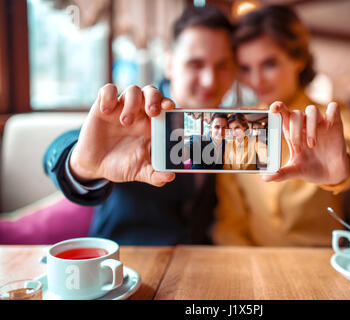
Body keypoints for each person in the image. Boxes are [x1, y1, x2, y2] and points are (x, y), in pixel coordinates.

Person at [43, 6, 236, 245]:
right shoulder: (134, 113)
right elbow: (58, 150)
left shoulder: (231, 127)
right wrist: (80, 164)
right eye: (195, 64)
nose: (210, 80)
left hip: (197, 270)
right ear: (169, 62)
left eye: (223, 66)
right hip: (122, 267)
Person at [213, 5, 350, 246]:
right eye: (245, 68)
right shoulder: (235, 126)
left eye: (269, 64)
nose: (256, 80)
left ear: (299, 59)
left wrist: (340, 171)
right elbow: (231, 219)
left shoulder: (333, 116)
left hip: (322, 261)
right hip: (253, 264)